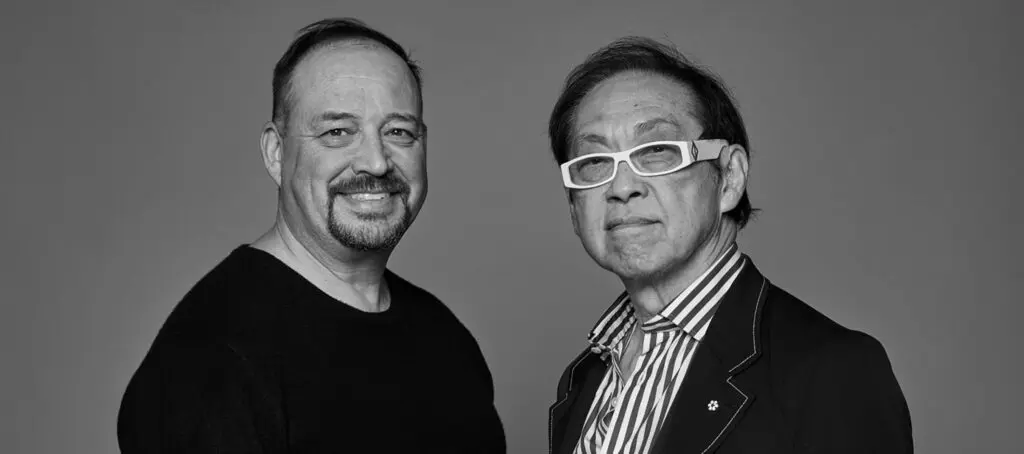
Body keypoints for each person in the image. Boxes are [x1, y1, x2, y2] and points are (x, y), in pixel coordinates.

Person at [118, 18, 505, 453]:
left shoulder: (444, 338)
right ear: (276, 153)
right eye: (337, 132)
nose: (376, 162)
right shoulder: (212, 358)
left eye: (399, 132)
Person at [547, 37, 912, 454]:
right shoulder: (585, 377)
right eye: (595, 162)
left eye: (658, 151)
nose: (622, 187)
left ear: (730, 178)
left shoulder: (832, 369)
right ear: (574, 207)